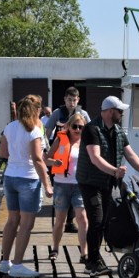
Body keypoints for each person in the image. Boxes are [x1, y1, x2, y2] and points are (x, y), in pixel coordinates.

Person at [76, 95, 139, 277]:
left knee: (103, 221)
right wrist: (115, 171)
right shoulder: (91, 129)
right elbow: (95, 158)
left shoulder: (118, 130)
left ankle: (93, 259)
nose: (122, 114)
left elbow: (130, 154)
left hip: (107, 181)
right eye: (120, 111)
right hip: (90, 181)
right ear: (111, 111)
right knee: (96, 220)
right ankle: (93, 262)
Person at [0, 95, 53, 278]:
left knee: (12, 221)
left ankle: (5, 263)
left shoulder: (9, 126)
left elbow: (3, 153)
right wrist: (47, 184)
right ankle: (18, 265)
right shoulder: (34, 130)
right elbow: (38, 160)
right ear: (36, 110)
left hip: (10, 177)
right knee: (26, 225)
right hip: (28, 178)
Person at [45, 87, 91, 233]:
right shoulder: (57, 113)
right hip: (61, 153)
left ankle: (70, 222)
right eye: (69, 99)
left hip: (77, 154)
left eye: (74, 100)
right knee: (62, 189)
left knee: (76, 191)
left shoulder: (83, 114)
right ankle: (61, 220)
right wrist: (47, 148)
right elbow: (47, 131)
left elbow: (90, 132)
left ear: (78, 100)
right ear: (65, 99)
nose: (72, 102)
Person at [45, 113, 88, 263]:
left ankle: (84, 253)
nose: (77, 129)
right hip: (61, 185)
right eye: (74, 126)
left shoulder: (87, 142)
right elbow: (46, 159)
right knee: (60, 221)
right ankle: (55, 248)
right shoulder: (60, 140)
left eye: (80, 127)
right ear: (68, 126)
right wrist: (54, 162)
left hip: (79, 186)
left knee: (82, 219)